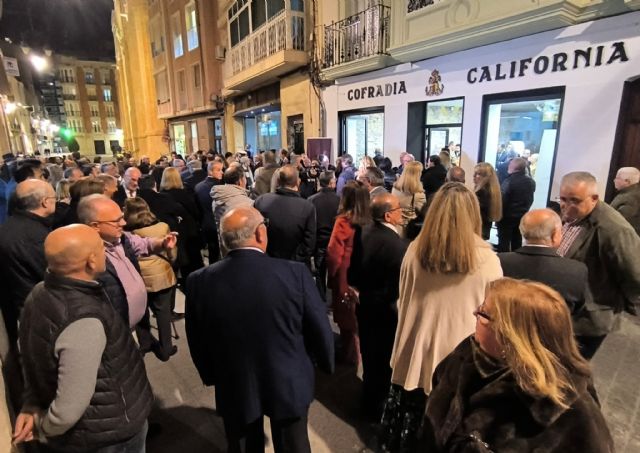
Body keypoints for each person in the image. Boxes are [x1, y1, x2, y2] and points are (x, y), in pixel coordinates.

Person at [185, 207, 334, 453]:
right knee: (293, 445)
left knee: (243, 446)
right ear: (260, 234)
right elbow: (318, 326)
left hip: (234, 381)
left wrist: (210, 374)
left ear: (223, 240)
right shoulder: (294, 273)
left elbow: (197, 338)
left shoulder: (199, 281)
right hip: (289, 379)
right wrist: (325, 364)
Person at [422, 278, 614, 452]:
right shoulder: (467, 354)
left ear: (511, 335)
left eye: (483, 313)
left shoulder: (574, 416)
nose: (475, 314)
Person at [381, 182, 502, 452]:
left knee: (410, 430)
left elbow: (403, 296)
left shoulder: (414, 250)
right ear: (474, 214)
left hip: (415, 347)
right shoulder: (487, 260)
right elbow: (493, 315)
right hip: (457, 356)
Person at [13, 224, 153, 452]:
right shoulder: (84, 319)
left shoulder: (39, 292)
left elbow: (29, 354)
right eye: (100, 248)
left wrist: (32, 402)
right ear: (90, 261)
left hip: (99, 427)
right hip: (109, 435)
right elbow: (68, 410)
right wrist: (42, 428)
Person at [557, 172, 640, 359]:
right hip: (566, 311)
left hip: (588, 316)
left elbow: (635, 274)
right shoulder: (575, 215)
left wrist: (614, 303)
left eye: (575, 201)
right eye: (563, 199)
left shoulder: (613, 229)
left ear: (594, 198)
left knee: (572, 371)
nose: (567, 206)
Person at [77, 195, 178, 336]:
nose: (124, 223)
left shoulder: (121, 238)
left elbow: (143, 243)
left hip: (136, 325)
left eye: (122, 217)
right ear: (95, 226)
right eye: (116, 221)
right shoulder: (85, 254)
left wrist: (161, 243)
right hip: (117, 331)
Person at [352, 194, 408, 420]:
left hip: (364, 304)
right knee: (384, 362)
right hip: (385, 310)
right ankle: (377, 411)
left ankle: (368, 401)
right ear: (388, 215)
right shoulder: (397, 246)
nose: (401, 212)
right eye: (398, 209)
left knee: (369, 356)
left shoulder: (363, 232)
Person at [498, 209, 591, 320]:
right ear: (555, 235)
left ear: (521, 231)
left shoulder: (499, 261)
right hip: (553, 335)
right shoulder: (577, 270)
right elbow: (577, 311)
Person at [0, 179, 56, 344]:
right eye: (54, 198)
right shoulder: (35, 236)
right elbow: (48, 274)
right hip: (39, 312)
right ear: (45, 202)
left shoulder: (9, 226)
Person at [124, 198, 178, 361]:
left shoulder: (127, 232)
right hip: (162, 274)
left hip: (139, 277)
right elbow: (172, 253)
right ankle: (166, 348)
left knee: (142, 311)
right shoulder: (162, 227)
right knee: (163, 312)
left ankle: (145, 344)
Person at [326, 181, 371, 364]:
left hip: (345, 272)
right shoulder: (370, 220)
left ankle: (351, 354)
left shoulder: (344, 221)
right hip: (365, 271)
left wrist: (331, 275)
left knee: (346, 315)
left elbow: (334, 252)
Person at [254, 165, 317, 266]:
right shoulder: (307, 207)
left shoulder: (261, 201)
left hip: (267, 264)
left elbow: (254, 233)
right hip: (295, 266)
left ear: (278, 181)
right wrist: (294, 260)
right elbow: (309, 243)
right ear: (298, 182)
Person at [160, 167, 204, 283]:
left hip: (173, 232)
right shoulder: (186, 193)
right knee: (193, 262)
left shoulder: (161, 197)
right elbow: (196, 212)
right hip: (189, 231)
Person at [308, 171, 340, 300]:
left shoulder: (311, 200)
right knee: (335, 272)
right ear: (331, 183)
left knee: (320, 273)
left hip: (319, 242)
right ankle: (334, 300)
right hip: (335, 241)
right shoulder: (340, 200)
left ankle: (321, 299)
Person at [211, 165, 254, 256]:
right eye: (244, 178)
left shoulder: (219, 196)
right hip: (240, 250)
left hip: (224, 245)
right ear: (240, 181)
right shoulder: (245, 202)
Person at [497, 157, 536, 252]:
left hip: (506, 217)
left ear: (515, 167)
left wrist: (498, 214)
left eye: (510, 165)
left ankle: (504, 262)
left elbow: (502, 199)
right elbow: (530, 199)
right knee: (517, 241)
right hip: (521, 216)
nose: (508, 166)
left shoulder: (509, 181)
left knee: (503, 242)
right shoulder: (531, 181)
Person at [195, 161, 224, 263]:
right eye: (218, 170)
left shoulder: (198, 186)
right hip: (218, 223)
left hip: (205, 223)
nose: (222, 172)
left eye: (222, 170)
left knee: (212, 252)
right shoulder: (220, 188)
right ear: (210, 171)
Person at [392, 161, 426, 239]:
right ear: (418, 174)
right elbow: (422, 212)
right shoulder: (419, 194)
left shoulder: (395, 188)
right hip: (410, 229)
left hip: (395, 225)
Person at [474, 162, 503, 240]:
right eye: (475, 173)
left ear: (486, 177)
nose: (474, 176)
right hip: (485, 228)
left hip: (478, 230)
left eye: (478, 174)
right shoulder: (494, 192)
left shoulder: (482, 193)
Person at [611, 166, 640, 234]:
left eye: (617, 178)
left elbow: (617, 222)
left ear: (627, 181)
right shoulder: (628, 193)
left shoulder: (631, 198)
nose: (614, 180)